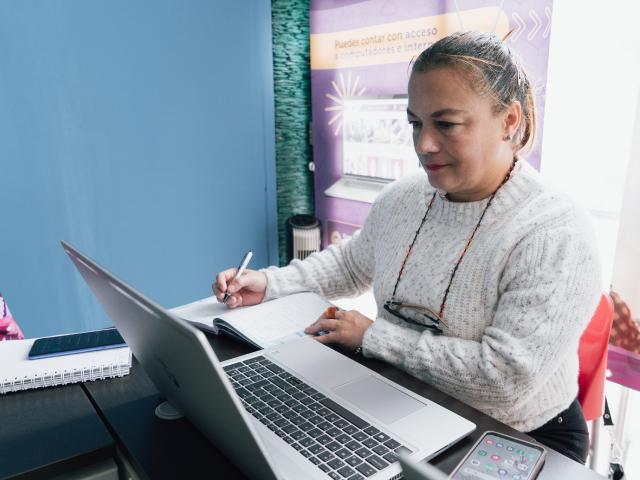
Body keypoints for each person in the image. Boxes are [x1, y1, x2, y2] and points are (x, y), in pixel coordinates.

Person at [214, 31, 601, 464]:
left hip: (516, 435)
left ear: (509, 120)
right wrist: (267, 283)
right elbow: (350, 263)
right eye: (416, 123)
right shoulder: (405, 197)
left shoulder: (554, 233)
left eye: (446, 124)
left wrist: (375, 338)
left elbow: (504, 381)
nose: (423, 145)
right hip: (411, 397)